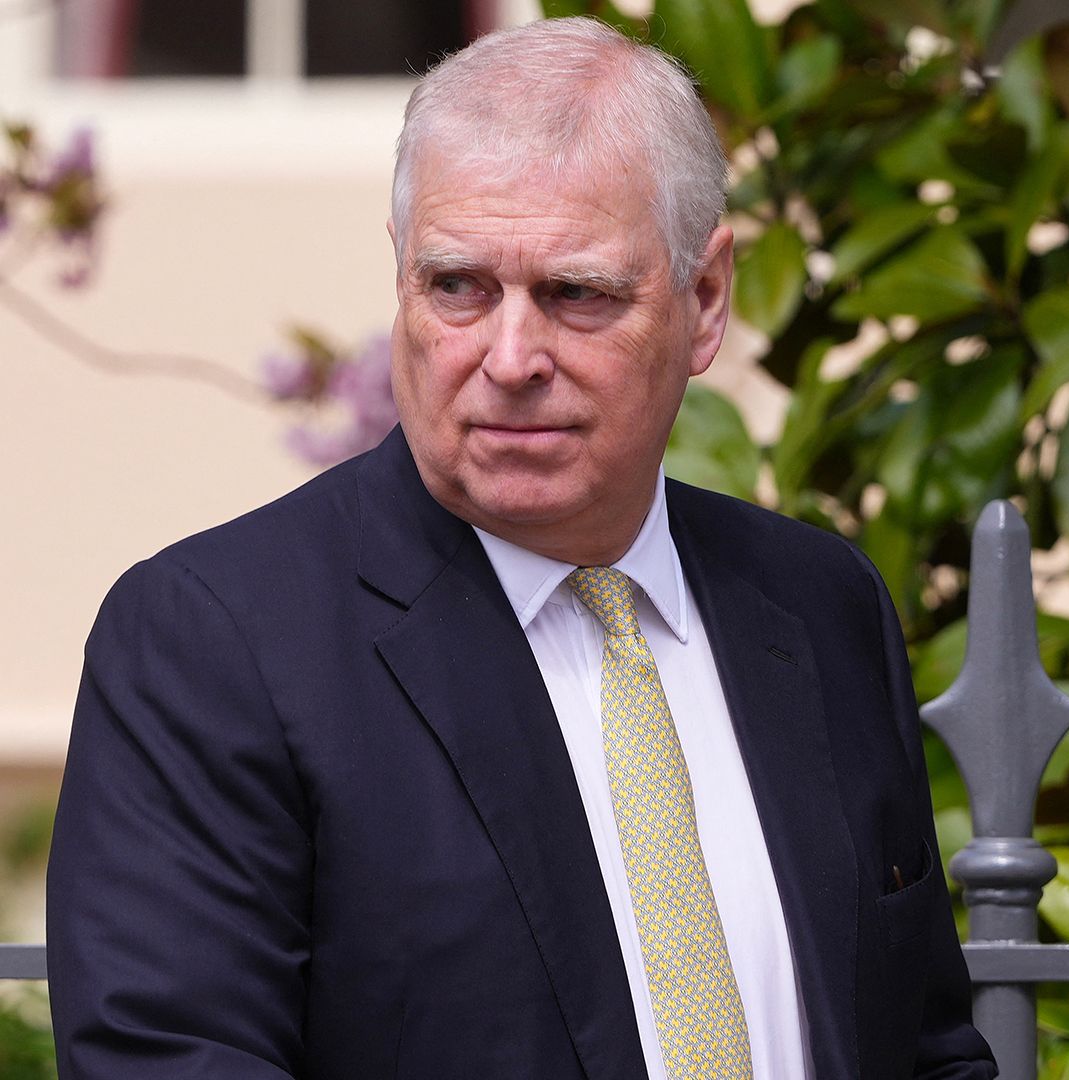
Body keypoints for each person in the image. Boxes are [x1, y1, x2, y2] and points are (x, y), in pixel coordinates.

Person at [47, 16, 997, 1080]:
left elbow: (923, 1049)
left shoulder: (819, 606)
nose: (509, 358)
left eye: (576, 294)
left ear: (707, 300)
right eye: (457, 287)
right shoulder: (216, 644)